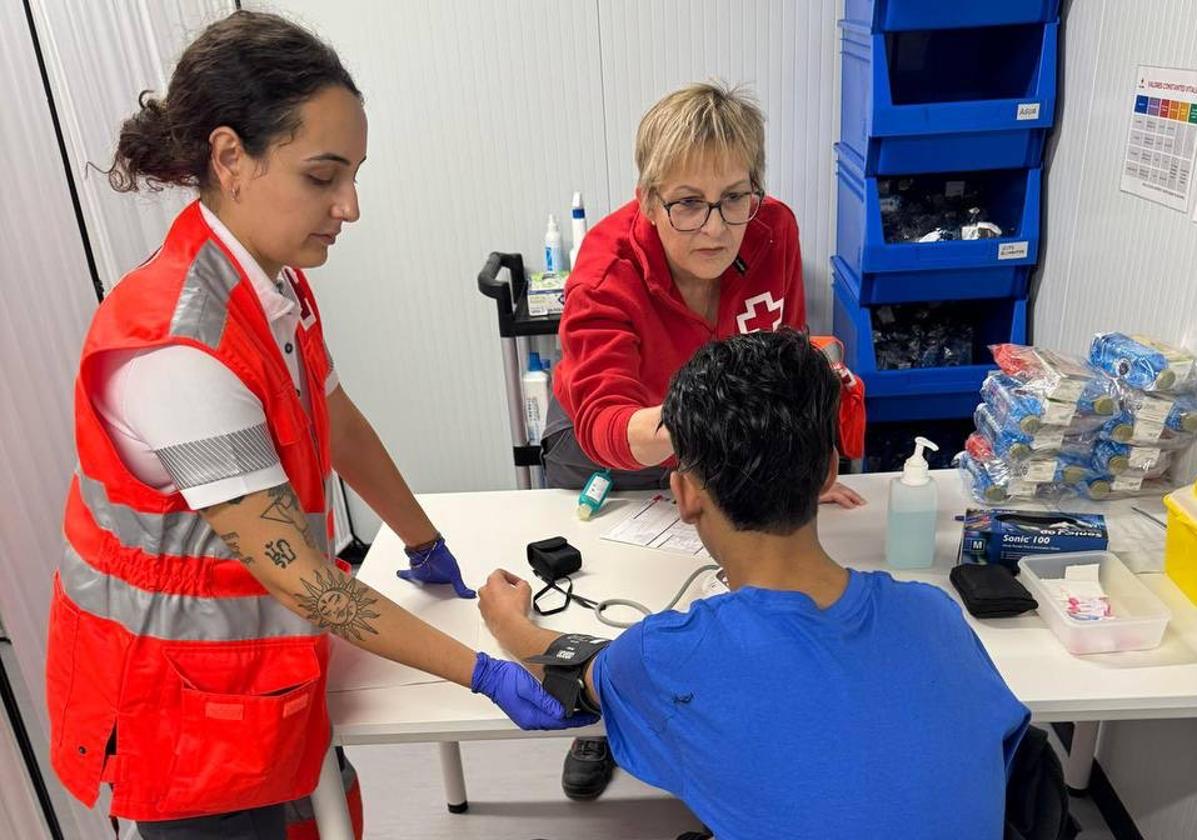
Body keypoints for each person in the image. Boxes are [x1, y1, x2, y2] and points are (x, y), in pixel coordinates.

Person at [45, 11, 590, 840]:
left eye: (354, 174)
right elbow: (304, 577)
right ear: (230, 158)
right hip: (182, 715)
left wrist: (419, 540)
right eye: (323, 176)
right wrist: (481, 674)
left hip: (263, 678)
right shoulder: (179, 351)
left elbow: (336, 418)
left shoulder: (271, 285)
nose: (351, 206)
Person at [480, 329, 1030, 839]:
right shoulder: (935, 615)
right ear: (829, 473)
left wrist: (511, 624)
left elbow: (574, 672)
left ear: (685, 493)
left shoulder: (664, 655)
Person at [542, 80, 869, 800]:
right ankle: (600, 721)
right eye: (686, 202)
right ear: (648, 197)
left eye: (733, 196)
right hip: (616, 434)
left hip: (704, 430)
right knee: (614, 582)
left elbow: (777, 355)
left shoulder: (772, 229)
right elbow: (603, 426)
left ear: (755, 189)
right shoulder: (604, 274)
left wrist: (803, 456)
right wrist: (708, 421)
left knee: (734, 578)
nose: (714, 227)